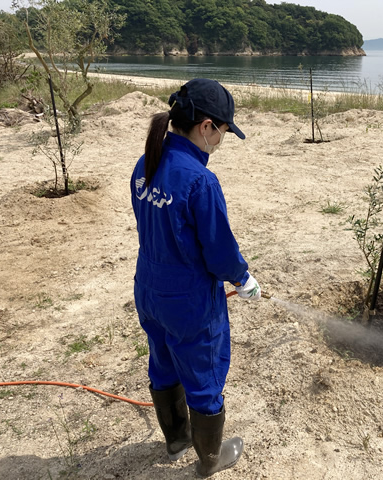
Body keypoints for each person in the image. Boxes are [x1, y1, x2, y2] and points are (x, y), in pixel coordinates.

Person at [130, 78, 261, 477]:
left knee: (164, 360)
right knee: (203, 374)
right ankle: (209, 458)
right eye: (222, 132)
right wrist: (242, 277)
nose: (220, 141)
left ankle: (176, 438)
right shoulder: (200, 180)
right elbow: (218, 249)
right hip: (187, 299)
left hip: (149, 288)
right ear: (206, 126)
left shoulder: (147, 161)